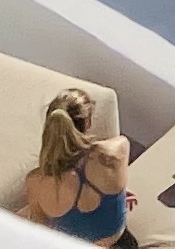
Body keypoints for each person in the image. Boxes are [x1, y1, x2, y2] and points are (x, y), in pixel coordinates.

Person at [20, 85, 135, 240]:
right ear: (87, 122)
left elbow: (42, 237)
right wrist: (117, 193)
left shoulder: (36, 183)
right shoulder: (113, 153)